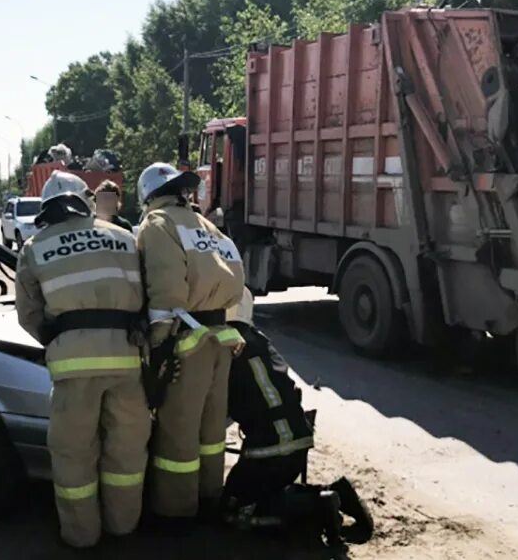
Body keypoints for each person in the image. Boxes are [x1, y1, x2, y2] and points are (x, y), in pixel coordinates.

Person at [15, 171, 151, 548]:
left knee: (73, 455)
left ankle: (81, 536)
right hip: (128, 361)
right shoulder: (125, 237)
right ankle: (123, 528)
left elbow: (29, 315)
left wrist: (58, 340)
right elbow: (150, 295)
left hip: (72, 368)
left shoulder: (34, 246)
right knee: (126, 450)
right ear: (86, 199)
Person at [136, 162, 245, 527]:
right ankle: (209, 495)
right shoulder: (209, 227)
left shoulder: (158, 225)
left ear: (147, 196)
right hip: (220, 338)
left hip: (186, 341)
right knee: (211, 429)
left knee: (178, 430)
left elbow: (166, 293)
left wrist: (159, 348)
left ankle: (176, 511)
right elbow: (237, 283)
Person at [222, 288, 374, 549]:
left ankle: (318, 504)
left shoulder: (226, 348)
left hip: (270, 450)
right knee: (246, 492)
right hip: (295, 441)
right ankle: (337, 491)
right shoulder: (259, 340)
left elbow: (220, 414)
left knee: (234, 514)